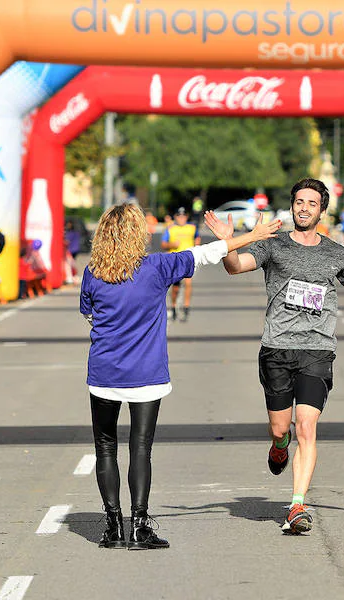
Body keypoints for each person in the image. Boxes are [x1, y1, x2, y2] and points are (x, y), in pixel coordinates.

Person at [205, 178, 344, 535]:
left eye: (311, 203)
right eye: (299, 201)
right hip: (277, 348)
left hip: (317, 349)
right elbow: (235, 267)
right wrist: (227, 241)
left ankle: (297, 503)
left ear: (321, 210)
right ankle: (278, 445)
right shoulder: (274, 245)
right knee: (282, 428)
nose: (303, 208)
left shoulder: (335, 253)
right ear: (292, 206)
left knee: (307, 427)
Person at [80, 203, 281, 550]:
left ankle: (112, 527)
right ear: (136, 235)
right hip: (147, 372)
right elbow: (206, 253)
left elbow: (89, 314)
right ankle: (140, 526)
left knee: (105, 447)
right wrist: (252, 236)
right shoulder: (157, 267)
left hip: (104, 372)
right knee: (140, 448)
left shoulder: (93, 272)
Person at [161, 208, 200, 322]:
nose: (181, 219)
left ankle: (186, 307)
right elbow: (163, 244)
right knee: (176, 287)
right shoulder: (171, 228)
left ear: (186, 217)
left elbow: (197, 236)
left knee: (188, 283)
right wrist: (172, 244)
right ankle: (173, 306)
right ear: (176, 217)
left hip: (188, 259)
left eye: (183, 216)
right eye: (179, 216)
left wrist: (197, 245)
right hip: (175, 260)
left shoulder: (191, 227)